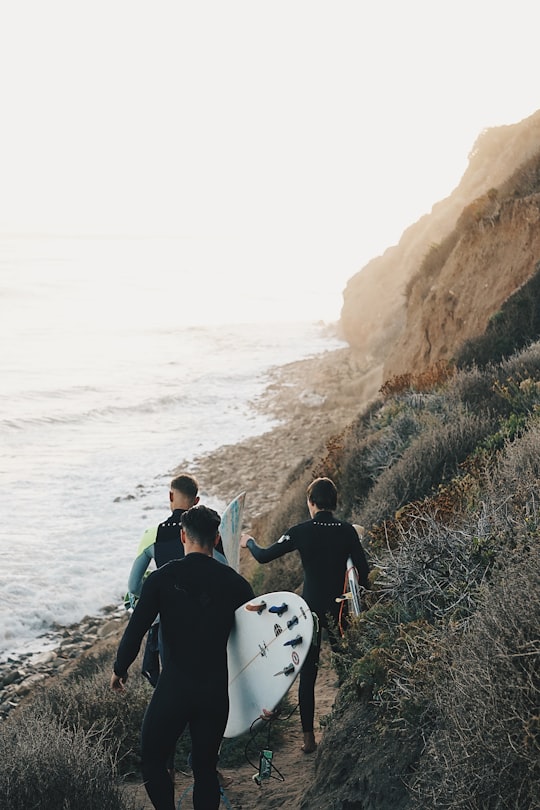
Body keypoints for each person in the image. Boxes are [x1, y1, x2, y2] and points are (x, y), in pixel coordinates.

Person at [111, 505, 254, 810]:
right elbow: (256, 639)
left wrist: (119, 668)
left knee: (151, 759)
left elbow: (135, 630)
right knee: (205, 770)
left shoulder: (162, 579)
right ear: (216, 539)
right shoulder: (235, 583)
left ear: (182, 536)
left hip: (175, 688)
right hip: (215, 691)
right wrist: (263, 697)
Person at [240, 476, 369, 754]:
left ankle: (309, 739)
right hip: (340, 610)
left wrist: (249, 543)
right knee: (346, 666)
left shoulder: (300, 531)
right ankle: (349, 722)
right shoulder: (347, 531)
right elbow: (364, 573)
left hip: (309, 612)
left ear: (310, 503)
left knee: (308, 673)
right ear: (334, 503)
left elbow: (263, 556)